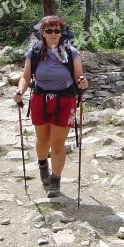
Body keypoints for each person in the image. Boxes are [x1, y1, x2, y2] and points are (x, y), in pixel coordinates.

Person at [13, 15, 88, 197]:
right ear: (42, 33)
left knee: (56, 144)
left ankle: (55, 180)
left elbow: (80, 77)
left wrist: (83, 83)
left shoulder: (71, 53)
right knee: (42, 141)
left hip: (65, 100)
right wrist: (19, 92)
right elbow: (25, 76)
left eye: (57, 30)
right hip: (40, 98)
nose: (53, 34)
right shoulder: (35, 52)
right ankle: (42, 165)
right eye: (49, 31)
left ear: (62, 33)